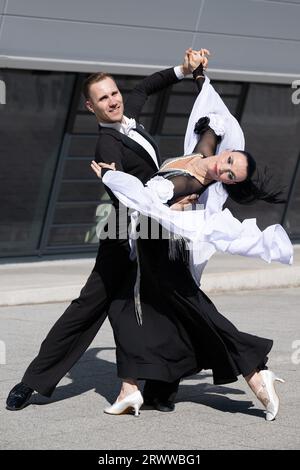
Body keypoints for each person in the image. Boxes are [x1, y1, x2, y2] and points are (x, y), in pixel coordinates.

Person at [89, 53, 292, 420]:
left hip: (160, 246)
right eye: (230, 159)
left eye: (230, 175)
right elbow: (212, 117)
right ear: (228, 149)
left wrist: (110, 178)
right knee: (163, 313)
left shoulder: (191, 182)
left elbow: (147, 199)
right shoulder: (205, 151)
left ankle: (253, 370)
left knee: (175, 309)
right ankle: (139, 389)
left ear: (228, 184)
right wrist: (198, 75)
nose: (223, 167)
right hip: (155, 245)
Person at [6, 48, 208, 412]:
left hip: (155, 230)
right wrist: (170, 203)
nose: (113, 101)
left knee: (170, 304)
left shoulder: (128, 114)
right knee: (87, 308)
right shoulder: (107, 143)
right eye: (103, 98)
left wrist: (184, 68)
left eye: (114, 93)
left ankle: (162, 389)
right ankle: (32, 382)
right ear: (90, 107)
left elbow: (148, 85)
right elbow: (125, 198)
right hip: (123, 234)